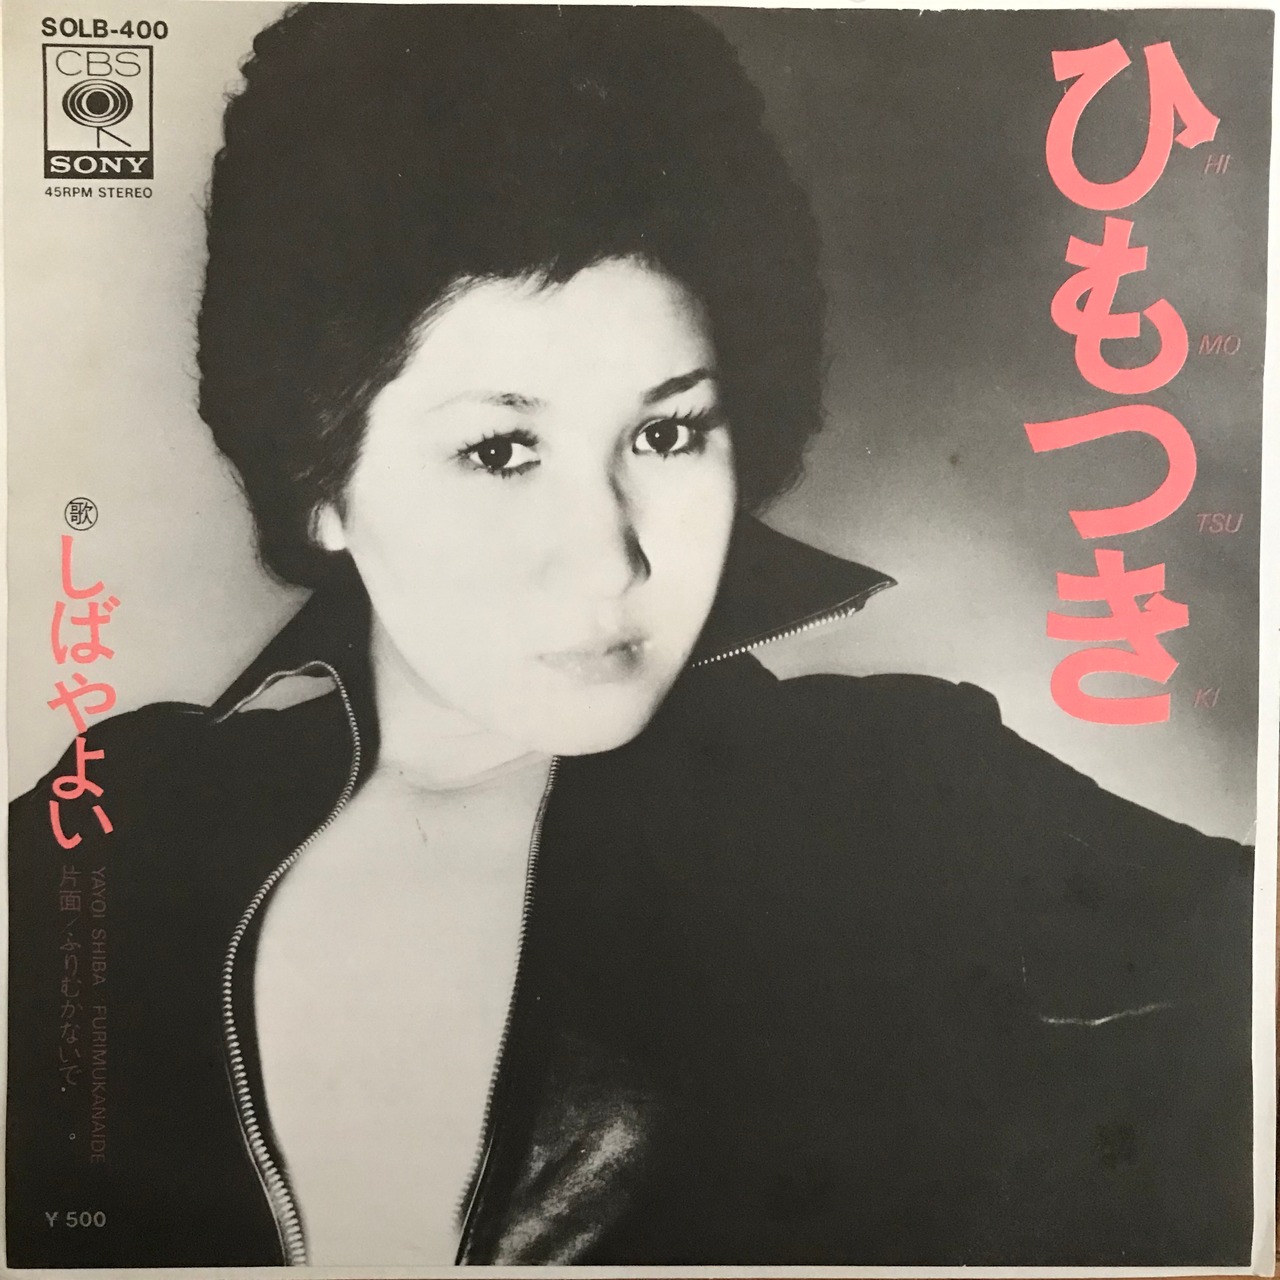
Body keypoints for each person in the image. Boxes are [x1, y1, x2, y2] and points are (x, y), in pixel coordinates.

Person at [7, 4, 1253, 1269]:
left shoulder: (888, 790)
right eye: (500, 450)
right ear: (321, 482)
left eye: (666, 433)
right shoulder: (115, 832)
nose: (610, 556)